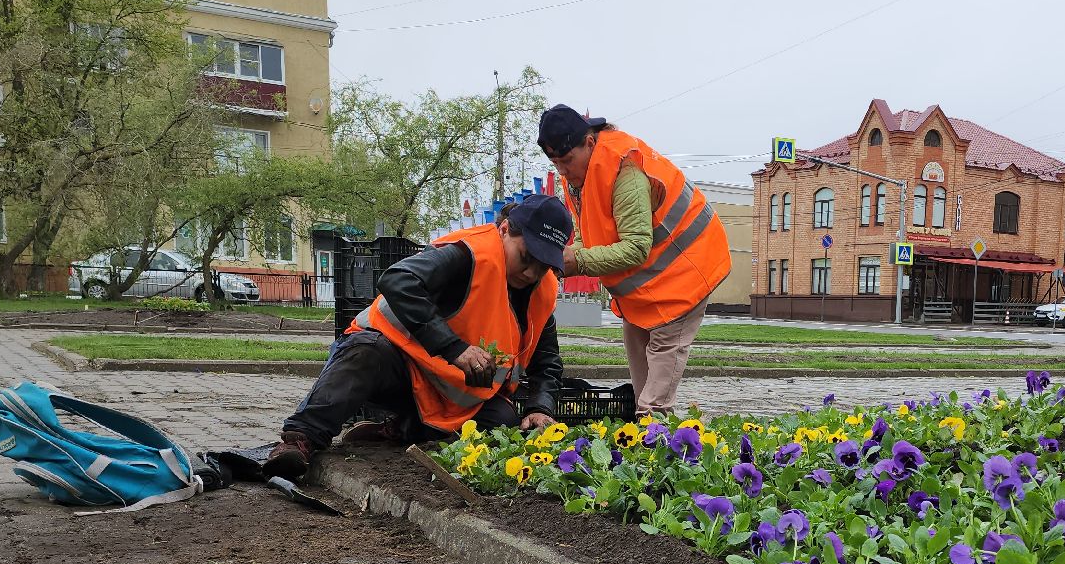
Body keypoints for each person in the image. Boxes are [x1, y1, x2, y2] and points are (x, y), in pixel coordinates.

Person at [263, 194, 573, 479]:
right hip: (395, 367)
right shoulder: (467, 256)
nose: (531, 272)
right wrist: (454, 348)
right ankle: (299, 441)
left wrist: (540, 408)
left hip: (451, 399)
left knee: (503, 419)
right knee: (364, 352)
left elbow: (547, 363)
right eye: (526, 256)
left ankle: (400, 431)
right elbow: (398, 280)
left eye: (543, 264)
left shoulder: (540, 294)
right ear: (505, 229)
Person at [539, 104, 731, 416]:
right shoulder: (582, 175)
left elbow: (636, 247)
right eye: (555, 162)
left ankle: (653, 426)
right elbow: (592, 231)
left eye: (567, 160)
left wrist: (579, 261)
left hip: (690, 266)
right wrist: (567, 254)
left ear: (589, 142)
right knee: (636, 340)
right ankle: (648, 427)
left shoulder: (623, 172)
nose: (562, 170)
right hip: (652, 280)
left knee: (663, 357)